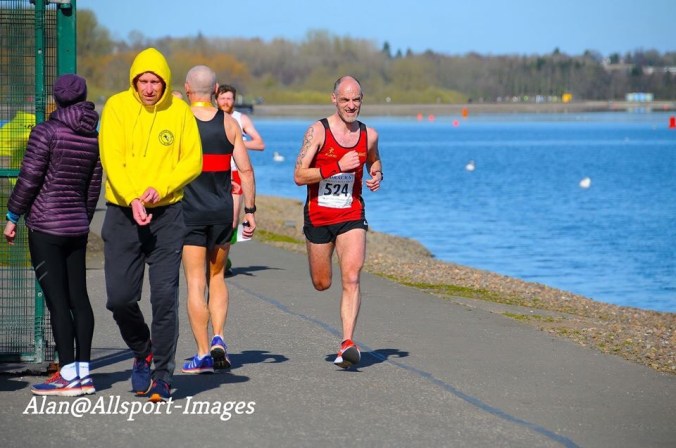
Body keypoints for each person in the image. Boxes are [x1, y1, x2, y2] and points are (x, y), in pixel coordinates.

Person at [98, 48, 202, 402]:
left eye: (155, 81)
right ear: (134, 81)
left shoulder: (180, 112)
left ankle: (162, 375)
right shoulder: (116, 107)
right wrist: (133, 197)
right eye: (142, 81)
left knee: (164, 299)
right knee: (119, 299)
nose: (148, 88)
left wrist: (162, 187)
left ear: (165, 82)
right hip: (123, 213)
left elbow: (193, 160)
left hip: (167, 216)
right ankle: (143, 349)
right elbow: (111, 158)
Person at [4, 74, 102, 395]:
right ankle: (83, 375)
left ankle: (68, 376)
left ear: (56, 100)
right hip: (76, 226)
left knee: (57, 302)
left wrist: (12, 215)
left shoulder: (45, 131)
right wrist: (82, 219)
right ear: (83, 97)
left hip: (46, 227)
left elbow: (30, 177)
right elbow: (93, 186)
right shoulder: (93, 136)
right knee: (80, 300)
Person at [293, 76, 382, 368]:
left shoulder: (369, 135)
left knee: (352, 277)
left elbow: (374, 160)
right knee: (322, 282)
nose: (351, 105)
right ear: (334, 99)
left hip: (350, 214)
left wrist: (377, 174)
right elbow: (299, 176)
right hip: (318, 216)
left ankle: (347, 343)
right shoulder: (317, 131)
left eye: (356, 100)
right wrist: (336, 167)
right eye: (345, 100)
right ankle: (346, 341)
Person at [181, 66, 257, 373]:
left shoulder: (180, 121)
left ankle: (202, 354)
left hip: (189, 212)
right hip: (222, 211)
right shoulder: (229, 123)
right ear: (215, 91)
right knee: (217, 277)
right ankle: (219, 336)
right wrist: (250, 211)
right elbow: (246, 171)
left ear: (187, 89)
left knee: (195, 283)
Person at [215, 84, 265, 275]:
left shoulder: (241, 118)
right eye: (222, 98)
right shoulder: (211, 117)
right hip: (216, 173)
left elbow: (260, 144)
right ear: (216, 99)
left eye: (229, 98)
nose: (226, 102)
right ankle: (213, 257)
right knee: (213, 216)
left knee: (233, 219)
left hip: (236, 172)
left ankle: (223, 260)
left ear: (234, 100)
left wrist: (239, 144)